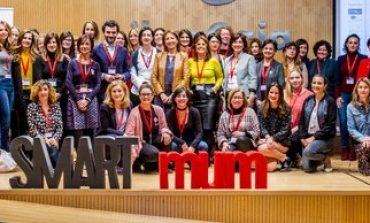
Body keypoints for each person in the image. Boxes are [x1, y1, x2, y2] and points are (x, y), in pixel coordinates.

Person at [125, 83, 172, 172]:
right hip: (141, 143)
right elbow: (129, 133)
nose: (146, 97)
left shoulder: (159, 110)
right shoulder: (134, 112)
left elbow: (164, 126)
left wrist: (165, 132)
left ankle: (158, 166)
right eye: (143, 94)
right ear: (139, 96)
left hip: (154, 141)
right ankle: (139, 162)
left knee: (167, 138)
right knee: (154, 153)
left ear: (153, 95)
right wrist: (135, 147)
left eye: (148, 94)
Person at [65, 34, 101, 147]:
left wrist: (88, 99)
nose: (84, 46)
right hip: (76, 99)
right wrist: (79, 100)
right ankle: (80, 160)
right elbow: (68, 82)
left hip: (91, 99)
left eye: (87, 44)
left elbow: (98, 84)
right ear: (78, 46)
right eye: (82, 44)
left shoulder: (96, 65)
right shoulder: (72, 63)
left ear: (91, 46)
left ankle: (91, 160)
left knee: (91, 131)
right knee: (78, 131)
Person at [336, 34, 367, 161]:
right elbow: (337, 79)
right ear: (346, 44)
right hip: (343, 94)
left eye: (355, 43)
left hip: (358, 95)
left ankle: (355, 149)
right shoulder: (341, 58)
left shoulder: (363, 58)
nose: (353, 44)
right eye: (350, 42)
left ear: (358, 45)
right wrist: (337, 96)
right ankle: (344, 148)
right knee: (343, 122)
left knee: (357, 123)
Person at [188, 35, 223, 150]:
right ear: (195, 47)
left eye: (203, 44)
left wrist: (214, 89)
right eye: (198, 44)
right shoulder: (190, 62)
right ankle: (198, 153)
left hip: (209, 97)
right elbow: (187, 78)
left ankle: (208, 155)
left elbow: (221, 77)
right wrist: (188, 89)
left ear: (207, 46)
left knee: (208, 127)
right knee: (197, 127)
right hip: (195, 96)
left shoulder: (213, 61)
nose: (201, 46)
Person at [33, 32, 69, 139]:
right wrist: (50, 94)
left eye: (54, 42)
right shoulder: (39, 59)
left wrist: (59, 93)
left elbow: (67, 79)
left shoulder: (64, 59)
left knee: (61, 123)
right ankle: (47, 150)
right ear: (45, 44)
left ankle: (62, 150)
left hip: (61, 96)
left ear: (58, 44)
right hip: (45, 97)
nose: (52, 45)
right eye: (49, 42)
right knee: (47, 123)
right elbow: (39, 79)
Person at [299, 74, 336, 173]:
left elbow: (330, 126)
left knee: (307, 152)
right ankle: (318, 160)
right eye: (314, 83)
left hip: (324, 138)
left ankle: (325, 158)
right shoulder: (308, 100)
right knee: (308, 168)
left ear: (325, 86)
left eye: (319, 83)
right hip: (308, 137)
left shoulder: (330, 101)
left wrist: (314, 137)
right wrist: (303, 137)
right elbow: (301, 121)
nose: (316, 85)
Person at [92, 20, 130, 102]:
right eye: (108, 32)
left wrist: (123, 76)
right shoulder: (96, 50)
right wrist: (104, 76)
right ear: (103, 32)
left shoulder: (123, 50)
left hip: (119, 92)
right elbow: (93, 70)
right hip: (102, 92)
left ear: (117, 33)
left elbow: (128, 71)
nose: (111, 35)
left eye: (113, 32)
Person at [27, 80, 63, 167]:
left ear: (49, 91)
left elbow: (60, 127)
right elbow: (32, 129)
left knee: (52, 148)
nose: (43, 92)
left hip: (53, 140)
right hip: (39, 139)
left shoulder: (56, 106)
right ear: (36, 92)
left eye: (45, 89)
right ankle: (61, 165)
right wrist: (45, 139)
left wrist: (55, 138)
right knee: (49, 148)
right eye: (40, 90)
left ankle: (56, 165)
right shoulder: (32, 107)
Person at [151, 30, 189, 111]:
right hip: (160, 96)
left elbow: (186, 77)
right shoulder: (158, 56)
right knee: (160, 121)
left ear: (177, 40)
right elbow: (153, 76)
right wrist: (161, 94)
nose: (170, 41)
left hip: (177, 95)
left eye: (172, 38)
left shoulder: (184, 56)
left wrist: (174, 94)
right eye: (167, 39)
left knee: (174, 121)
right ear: (164, 42)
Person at [257, 83, 291, 171]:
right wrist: (268, 137)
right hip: (268, 141)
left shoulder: (286, 108)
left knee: (260, 148)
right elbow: (261, 125)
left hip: (282, 142)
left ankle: (284, 158)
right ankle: (282, 160)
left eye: (276, 93)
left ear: (280, 95)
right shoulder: (262, 106)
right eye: (271, 92)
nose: (273, 95)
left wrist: (272, 139)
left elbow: (285, 130)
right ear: (267, 93)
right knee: (270, 167)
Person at [12, 30, 39, 138]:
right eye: (25, 38)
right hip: (19, 92)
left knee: (31, 120)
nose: (27, 40)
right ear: (20, 39)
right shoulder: (15, 56)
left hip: (32, 93)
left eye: (29, 39)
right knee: (20, 120)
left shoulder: (35, 57)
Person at [284, 68, 313, 169]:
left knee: (292, 136)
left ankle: (291, 158)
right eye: (292, 78)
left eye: (297, 77)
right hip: (286, 128)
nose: (295, 80)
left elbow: (309, 118)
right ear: (288, 80)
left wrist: (296, 128)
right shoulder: (284, 94)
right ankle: (291, 158)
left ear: (302, 79)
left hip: (302, 129)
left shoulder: (309, 95)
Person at [166, 86, 208, 153]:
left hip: (191, 140)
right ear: (174, 99)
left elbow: (200, 132)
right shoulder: (170, 113)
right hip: (176, 141)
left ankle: (195, 163)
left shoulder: (195, 111)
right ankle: (177, 163)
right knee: (172, 146)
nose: (181, 98)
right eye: (178, 96)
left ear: (188, 98)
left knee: (204, 146)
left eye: (184, 96)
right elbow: (171, 134)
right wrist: (181, 142)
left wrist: (193, 146)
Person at [223, 32, 257, 107]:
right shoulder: (227, 60)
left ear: (244, 44)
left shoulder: (249, 58)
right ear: (231, 44)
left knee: (243, 118)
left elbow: (253, 78)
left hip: (243, 95)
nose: (237, 44)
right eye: (235, 42)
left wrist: (251, 95)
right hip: (229, 95)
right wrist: (224, 99)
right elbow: (225, 79)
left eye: (240, 42)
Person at [130, 27, 159, 107]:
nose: (146, 37)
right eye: (143, 35)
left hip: (154, 91)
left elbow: (161, 73)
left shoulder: (159, 53)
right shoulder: (135, 54)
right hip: (137, 91)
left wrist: (150, 88)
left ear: (152, 38)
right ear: (140, 38)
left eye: (148, 35)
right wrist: (142, 87)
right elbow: (133, 74)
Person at [347, 78, 370, 175]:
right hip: (359, 141)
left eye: (366, 87)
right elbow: (351, 129)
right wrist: (364, 139)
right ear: (356, 90)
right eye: (360, 87)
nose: (363, 90)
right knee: (366, 171)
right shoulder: (350, 107)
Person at [0, 21, 17, 151]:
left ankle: (4, 147)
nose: (3, 32)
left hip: (10, 84)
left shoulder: (9, 47)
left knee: (7, 118)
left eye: (5, 29)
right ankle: (4, 149)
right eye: (0, 30)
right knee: (5, 117)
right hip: (0, 83)